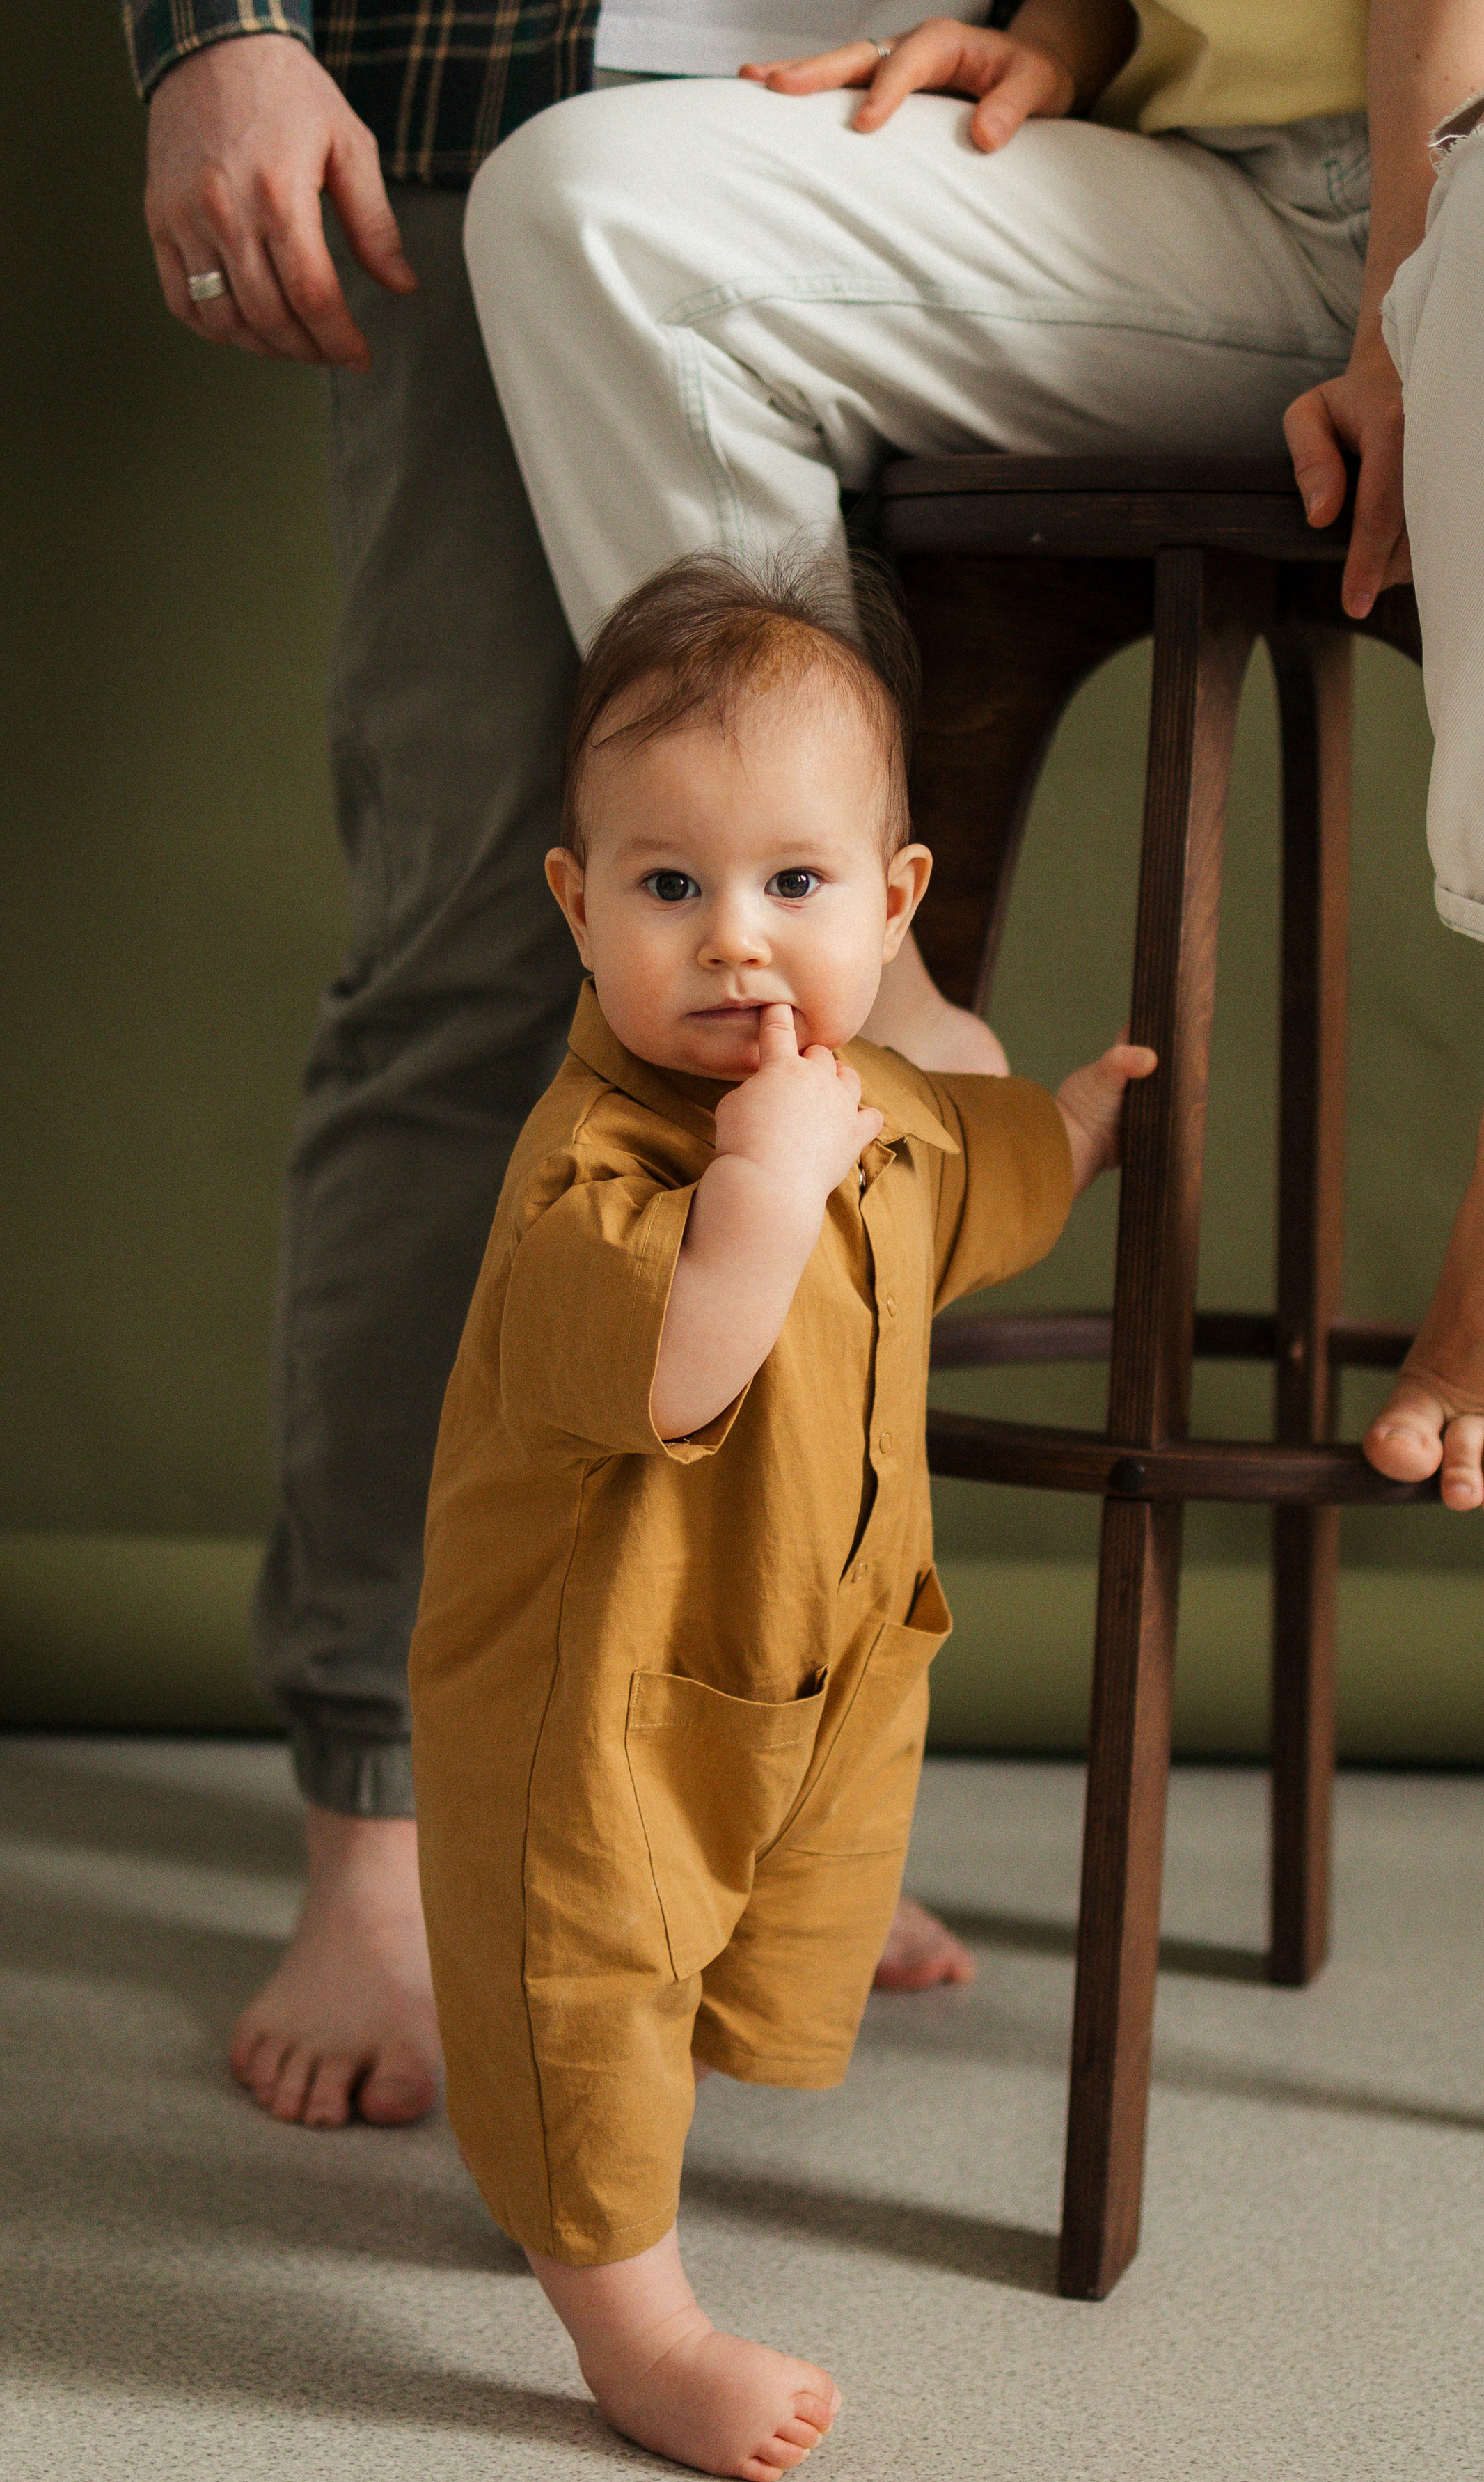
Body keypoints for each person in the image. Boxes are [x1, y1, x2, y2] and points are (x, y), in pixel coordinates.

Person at [461, 0, 1484, 1551]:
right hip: (1223, 176)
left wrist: (1404, 306)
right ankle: (867, 1008)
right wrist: (1079, 30)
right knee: (585, 210)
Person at [122, 2, 997, 2132]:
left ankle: (754, 1809)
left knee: (838, 989)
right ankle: (382, 1831)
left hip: (926, 121)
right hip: (487, 89)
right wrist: (211, 31)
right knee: (474, 968)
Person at [408, 553, 1154, 2479]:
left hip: (803, 1668)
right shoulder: (595, 1168)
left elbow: (975, 1189)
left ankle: (603, 2172)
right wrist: (761, 1177)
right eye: (670, 888)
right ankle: (635, 2332)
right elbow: (680, 1366)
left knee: (755, 1930)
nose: (737, 942)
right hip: (589, 1711)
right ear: (578, 910)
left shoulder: (872, 1102)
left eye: (794, 888)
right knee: (584, 1978)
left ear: (891, 903)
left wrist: (1067, 1130)